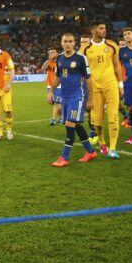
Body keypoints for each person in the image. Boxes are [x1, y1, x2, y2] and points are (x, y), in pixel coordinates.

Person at [48, 33, 96, 167]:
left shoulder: (81, 58)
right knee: (76, 125)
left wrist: (90, 99)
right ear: (61, 43)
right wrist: (51, 91)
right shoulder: (60, 59)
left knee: (69, 124)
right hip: (65, 97)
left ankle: (64, 157)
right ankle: (90, 151)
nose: (68, 44)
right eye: (65, 41)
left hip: (77, 97)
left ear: (74, 43)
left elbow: (88, 79)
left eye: (70, 41)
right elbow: (57, 78)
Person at [80, 22, 124, 159]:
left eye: (105, 28)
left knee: (113, 117)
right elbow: (81, 69)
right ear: (93, 30)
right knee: (97, 121)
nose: (104, 30)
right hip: (94, 88)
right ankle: (102, 142)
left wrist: (121, 85)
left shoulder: (112, 45)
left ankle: (112, 148)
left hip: (110, 85)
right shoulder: (85, 48)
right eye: (101, 28)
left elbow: (117, 65)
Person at [41, 48, 61, 126]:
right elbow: (43, 68)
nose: (52, 53)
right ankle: (62, 117)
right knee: (53, 103)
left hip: (58, 85)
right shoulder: (49, 62)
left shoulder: (60, 61)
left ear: (57, 53)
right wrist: (49, 59)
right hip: (49, 85)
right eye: (50, 52)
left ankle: (53, 119)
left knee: (57, 103)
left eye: (53, 52)